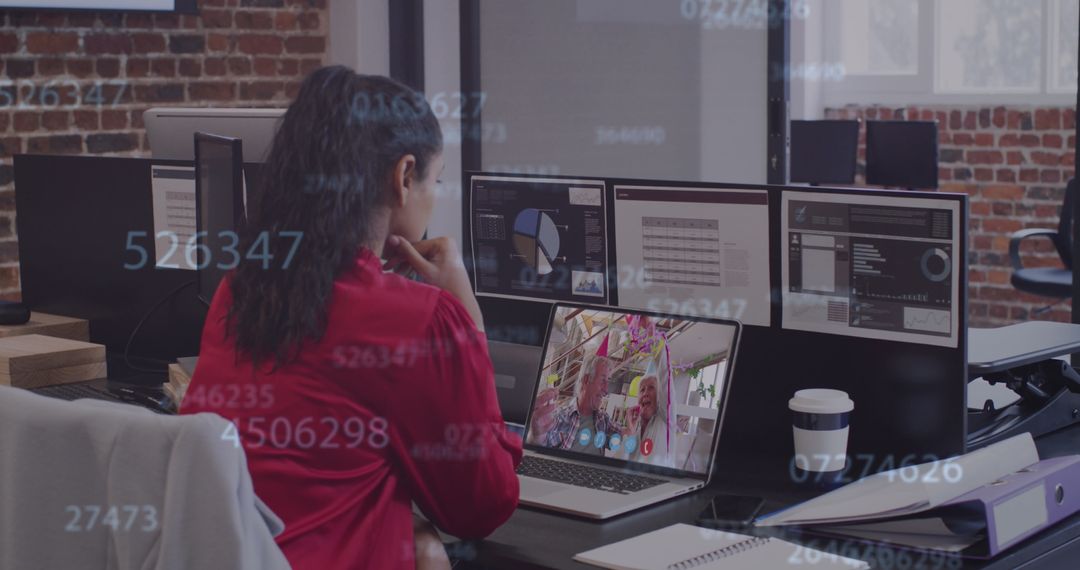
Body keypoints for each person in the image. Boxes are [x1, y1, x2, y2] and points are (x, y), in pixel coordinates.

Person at [180, 66, 521, 570]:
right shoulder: (419, 320)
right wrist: (465, 318)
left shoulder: (240, 289)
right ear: (404, 177)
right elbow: (482, 505)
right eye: (436, 180)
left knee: (419, 539)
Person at [528, 335, 617, 454]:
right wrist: (535, 435)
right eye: (602, 380)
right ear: (586, 380)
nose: (606, 390)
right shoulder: (560, 417)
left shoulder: (604, 420)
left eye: (608, 381)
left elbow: (623, 436)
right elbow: (539, 444)